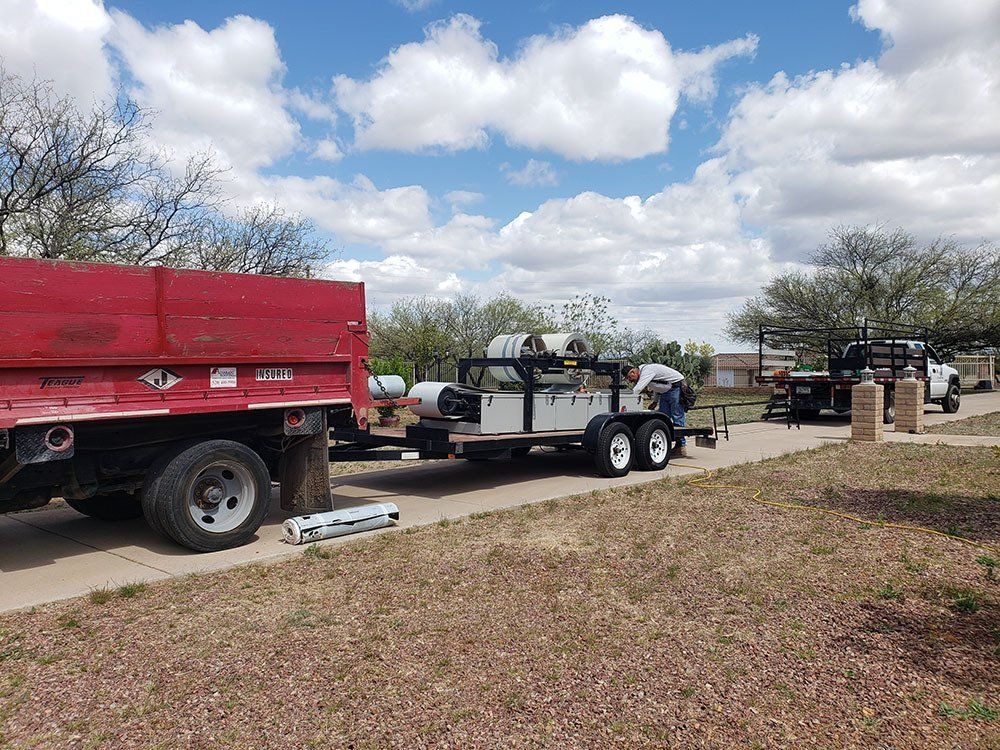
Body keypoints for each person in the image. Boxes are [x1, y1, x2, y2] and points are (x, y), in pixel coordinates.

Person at [624, 363, 688, 457]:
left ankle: (681, 446)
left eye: (629, 377)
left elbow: (637, 389)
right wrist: (655, 401)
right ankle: (666, 444)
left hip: (676, 388)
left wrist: (625, 399)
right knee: (663, 418)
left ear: (633, 372)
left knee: (677, 417)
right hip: (666, 392)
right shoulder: (645, 373)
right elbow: (657, 385)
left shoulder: (647, 371)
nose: (630, 380)